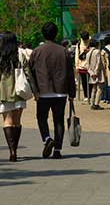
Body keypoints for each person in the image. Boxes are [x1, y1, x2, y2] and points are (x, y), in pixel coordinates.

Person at [28, 22, 77, 159]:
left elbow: (29, 71)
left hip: (43, 91)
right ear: (56, 34)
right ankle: (57, 150)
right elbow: (69, 73)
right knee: (58, 120)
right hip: (60, 91)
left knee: (41, 117)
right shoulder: (63, 51)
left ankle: (47, 138)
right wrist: (72, 92)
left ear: (43, 34)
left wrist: (34, 89)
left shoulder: (37, 51)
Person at [0, 32, 32, 162]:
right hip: (19, 92)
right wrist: (34, 90)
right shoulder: (20, 55)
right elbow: (28, 73)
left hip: (4, 92)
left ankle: (11, 151)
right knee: (17, 122)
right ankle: (15, 148)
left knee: (7, 121)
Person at [86, 38, 106, 110]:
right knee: (99, 88)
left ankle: (92, 103)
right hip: (98, 73)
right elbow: (98, 62)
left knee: (94, 89)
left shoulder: (88, 53)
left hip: (91, 73)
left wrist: (91, 73)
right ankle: (96, 104)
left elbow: (87, 65)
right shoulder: (97, 52)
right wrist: (96, 72)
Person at [75, 31, 91, 102]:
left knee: (90, 82)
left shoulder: (91, 42)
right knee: (84, 82)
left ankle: (90, 95)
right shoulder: (78, 44)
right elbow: (77, 56)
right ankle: (86, 95)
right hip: (82, 66)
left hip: (90, 65)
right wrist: (77, 66)